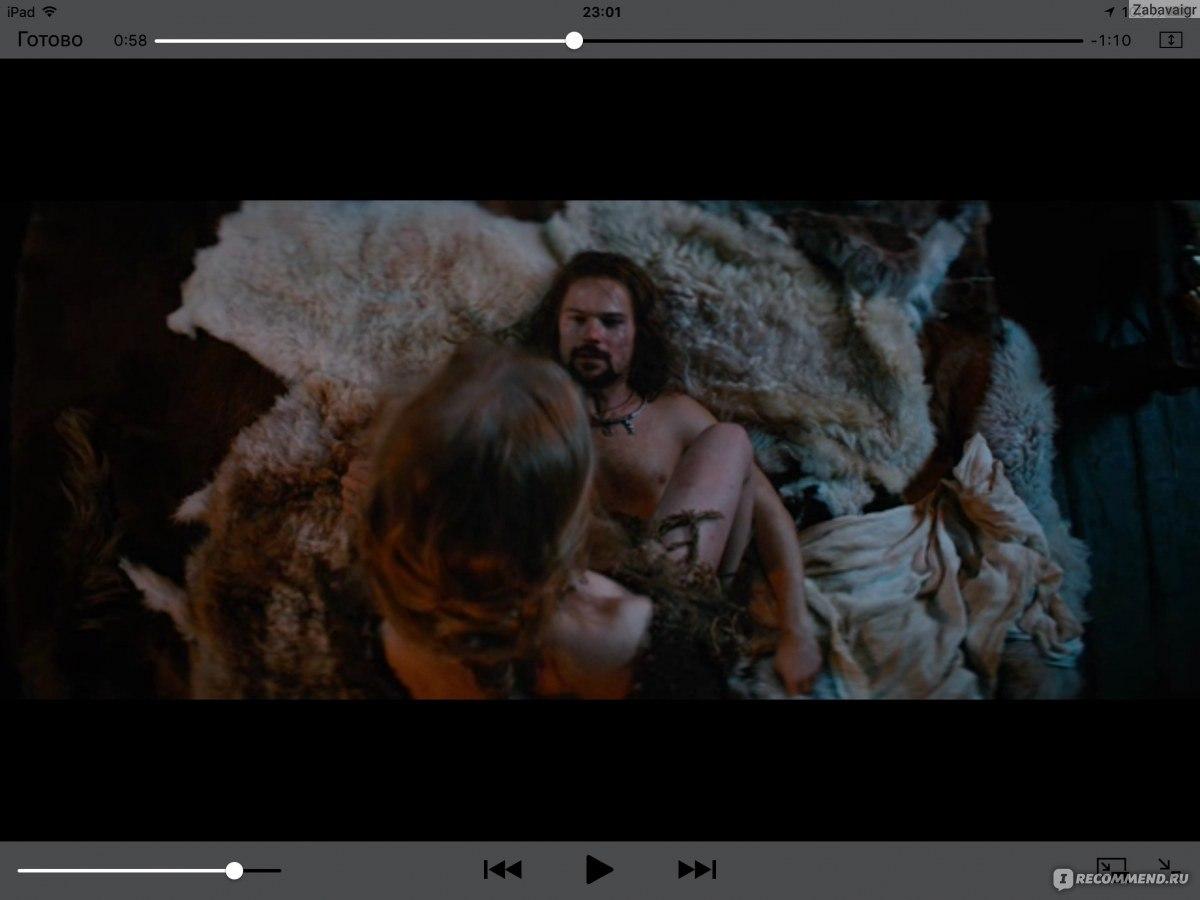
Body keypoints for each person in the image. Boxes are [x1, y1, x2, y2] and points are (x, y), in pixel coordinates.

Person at [353, 340, 752, 699]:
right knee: (730, 441)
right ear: (566, 515)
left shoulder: (374, 617)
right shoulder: (637, 633)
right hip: (595, 627)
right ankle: (721, 603)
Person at [527, 251, 823, 694]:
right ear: (556, 329)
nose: (593, 335)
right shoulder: (541, 422)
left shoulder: (675, 415)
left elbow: (769, 514)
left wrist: (796, 630)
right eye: (577, 320)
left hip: (686, 606)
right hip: (592, 614)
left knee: (730, 439)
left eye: (611, 322)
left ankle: (670, 631)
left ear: (637, 334)